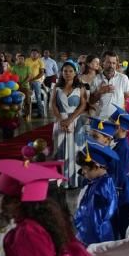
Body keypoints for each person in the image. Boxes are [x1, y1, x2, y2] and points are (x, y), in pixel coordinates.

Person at [50, 60, 88, 189]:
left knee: (76, 151)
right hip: (60, 122)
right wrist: (61, 119)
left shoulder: (80, 87)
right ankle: (62, 181)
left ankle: (76, 180)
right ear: (61, 72)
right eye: (65, 71)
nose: (67, 73)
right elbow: (53, 104)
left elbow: (83, 105)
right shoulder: (57, 87)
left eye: (70, 71)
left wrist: (70, 119)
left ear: (75, 72)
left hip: (76, 121)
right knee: (60, 151)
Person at [73, 140, 119, 246]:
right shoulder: (96, 182)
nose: (83, 172)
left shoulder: (103, 186)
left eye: (85, 169)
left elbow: (103, 215)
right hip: (90, 231)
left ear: (97, 166)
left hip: (98, 236)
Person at [108, 110, 129, 240]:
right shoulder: (118, 144)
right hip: (121, 187)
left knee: (122, 225)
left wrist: (112, 190)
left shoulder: (123, 148)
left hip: (122, 190)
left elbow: (119, 173)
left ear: (119, 127)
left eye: (112, 124)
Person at [89, 51, 129, 120]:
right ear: (103, 63)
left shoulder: (123, 78)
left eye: (113, 63)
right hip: (100, 119)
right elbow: (91, 101)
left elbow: (128, 100)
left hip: (118, 119)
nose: (111, 65)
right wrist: (99, 91)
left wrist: (125, 119)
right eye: (108, 62)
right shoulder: (96, 79)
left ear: (116, 64)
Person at [24, 49, 46, 118]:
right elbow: (24, 70)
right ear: (30, 54)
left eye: (35, 53)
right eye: (32, 53)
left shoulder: (40, 61)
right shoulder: (27, 60)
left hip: (36, 81)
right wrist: (27, 79)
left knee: (38, 97)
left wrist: (33, 79)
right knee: (26, 97)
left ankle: (41, 113)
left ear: (38, 54)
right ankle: (27, 114)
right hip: (27, 81)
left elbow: (42, 73)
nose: (33, 54)